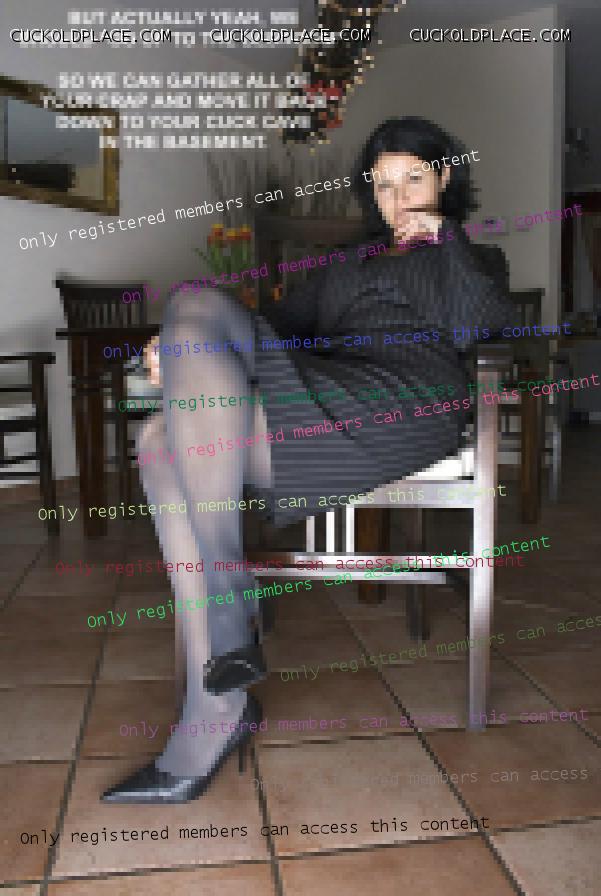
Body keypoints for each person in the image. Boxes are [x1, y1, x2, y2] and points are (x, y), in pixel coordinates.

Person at [102, 116, 514, 803]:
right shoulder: (345, 265)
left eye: (413, 179)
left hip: (408, 401)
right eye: (383, 185)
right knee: (175, 375)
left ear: (444, 177)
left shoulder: (474, 257)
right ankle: (219, 695)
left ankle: (222, 667)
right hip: (328, 386)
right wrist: (176, 346)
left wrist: (446, 239)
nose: (398, 198)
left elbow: (479, 326)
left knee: (162, 436)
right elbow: (272, 330)